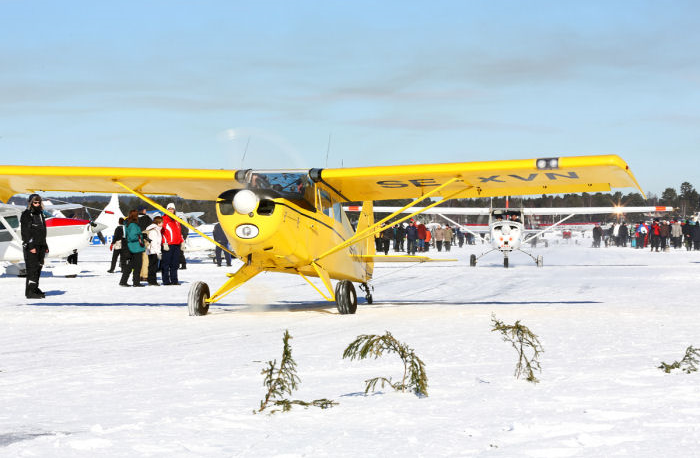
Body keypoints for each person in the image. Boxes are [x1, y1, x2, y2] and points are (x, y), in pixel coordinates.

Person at [21, 194, 48, 298]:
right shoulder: (26, 214)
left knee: (39, 267)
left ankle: (35, 288)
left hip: (41, 244)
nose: (37, 204)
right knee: (32, 268)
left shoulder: (40, 214)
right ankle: (30, 292)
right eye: (35, 202)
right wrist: (31, 245)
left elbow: (42, 231)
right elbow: (26, 232)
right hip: (32, 246)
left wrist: (45, 245)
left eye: (38, 202)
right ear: (31, 203)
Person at [119, 210, 145, 287]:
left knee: (131, 265)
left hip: (132, 247)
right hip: (135, 247)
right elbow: (132, 237)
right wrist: (141, 236)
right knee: (137, 265)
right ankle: (136, 282)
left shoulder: (129, 224)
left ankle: (124, 281)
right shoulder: (133, 225)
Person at [161, 202, 184, 285]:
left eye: (172, 209)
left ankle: (174, 280)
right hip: (168, 244)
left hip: (177, 244)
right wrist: (164, 243)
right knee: (166, 263)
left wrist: (182, 241)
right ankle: (166, 280)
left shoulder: (177, 220)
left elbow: (179, 232)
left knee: (175, 264)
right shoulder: (163, 219)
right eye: (169, 209)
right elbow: (162, 232)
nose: (171, 210)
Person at [144, 216, 163, 285]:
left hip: (153, 251)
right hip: (153, 251)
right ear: (158, 223)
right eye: (161, 222)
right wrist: (158, 253)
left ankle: (151, 280)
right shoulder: (154, 231)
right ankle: (152, 281)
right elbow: (154, 243)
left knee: (153, 266)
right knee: (153, 267)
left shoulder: (156, 230)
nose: (162, 224)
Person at [137, 206, 152, 282]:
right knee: (145, 258)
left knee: (138, 259)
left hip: (136, 240)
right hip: (145, 238)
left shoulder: (134, 218)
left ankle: (138, 275)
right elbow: (151, 227)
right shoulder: (147, 218)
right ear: (143, 211)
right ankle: (145, 276)